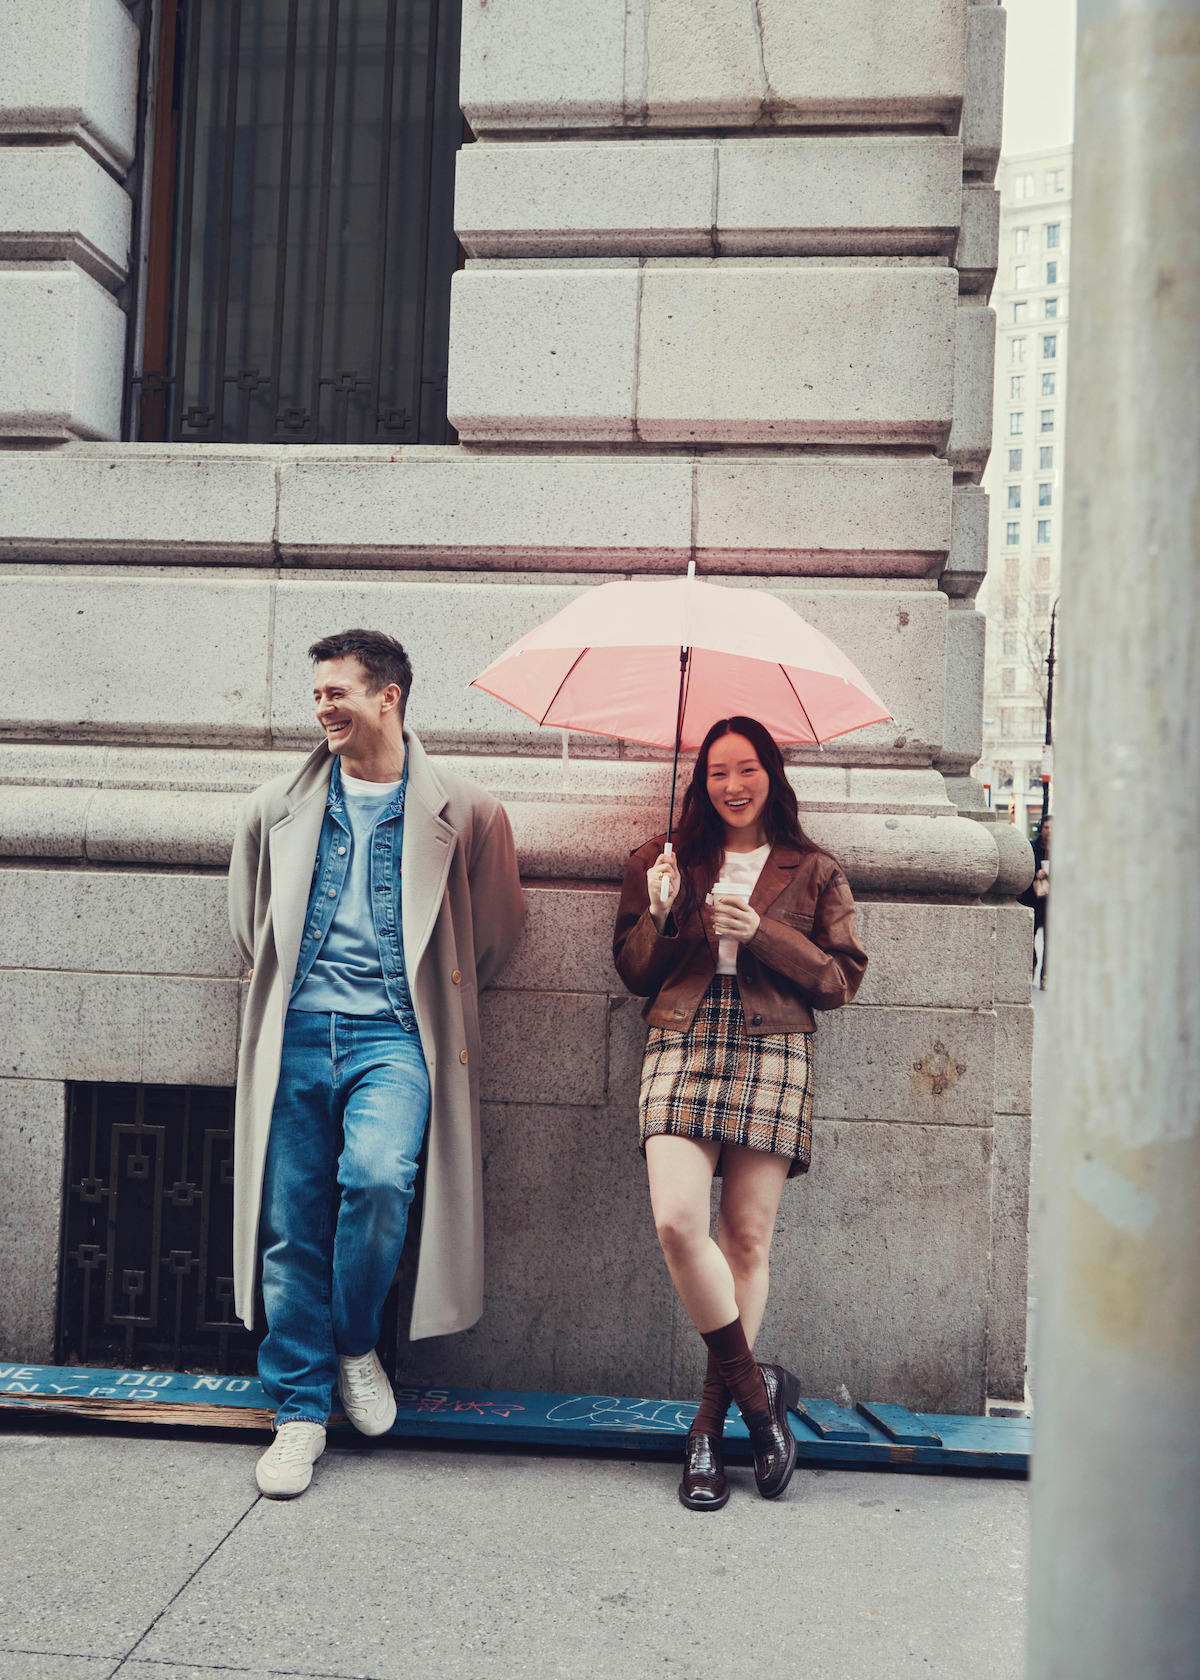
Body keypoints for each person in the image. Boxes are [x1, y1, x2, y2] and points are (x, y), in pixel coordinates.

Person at [228, 628, 525, 1498]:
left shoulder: (468, 811)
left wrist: (435, 998)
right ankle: (299, 1414)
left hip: (396, 1037)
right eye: (318, 694)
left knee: (380, 1181)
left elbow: (495, 936)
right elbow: (254, 925)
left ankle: (355, 1340)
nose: (323, 707)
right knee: (290, 1228)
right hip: (298, 1033)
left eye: (338, 693)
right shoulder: (273, 805)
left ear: (387, 698)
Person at [613, 716, 867, 1511]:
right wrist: (659, 914)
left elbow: (840, 980)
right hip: (685, 1038)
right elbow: (634, 974)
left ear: (771, 775)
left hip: (774, 1044)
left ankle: (708, 1430)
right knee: (678, 1223)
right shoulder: (661, 862)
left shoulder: (814, 868)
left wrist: (762, 933)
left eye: (747, 769)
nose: (732, 785)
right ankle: (761, 1404)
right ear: (701, 781)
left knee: (746, 1238)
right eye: (717, 771)